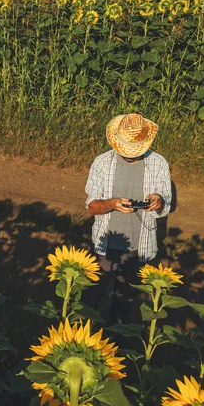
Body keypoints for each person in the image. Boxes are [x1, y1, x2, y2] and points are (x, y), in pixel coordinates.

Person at [84, 113, 172, 322]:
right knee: (90, 298)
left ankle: (117, 342)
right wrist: (111, 203)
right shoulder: (102, 163)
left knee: (125, 303)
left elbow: (166, 205)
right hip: (105, 244)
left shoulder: (158, 163)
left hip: (138, 248)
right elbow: (92, 207)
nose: (131, 154)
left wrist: (159, 201)